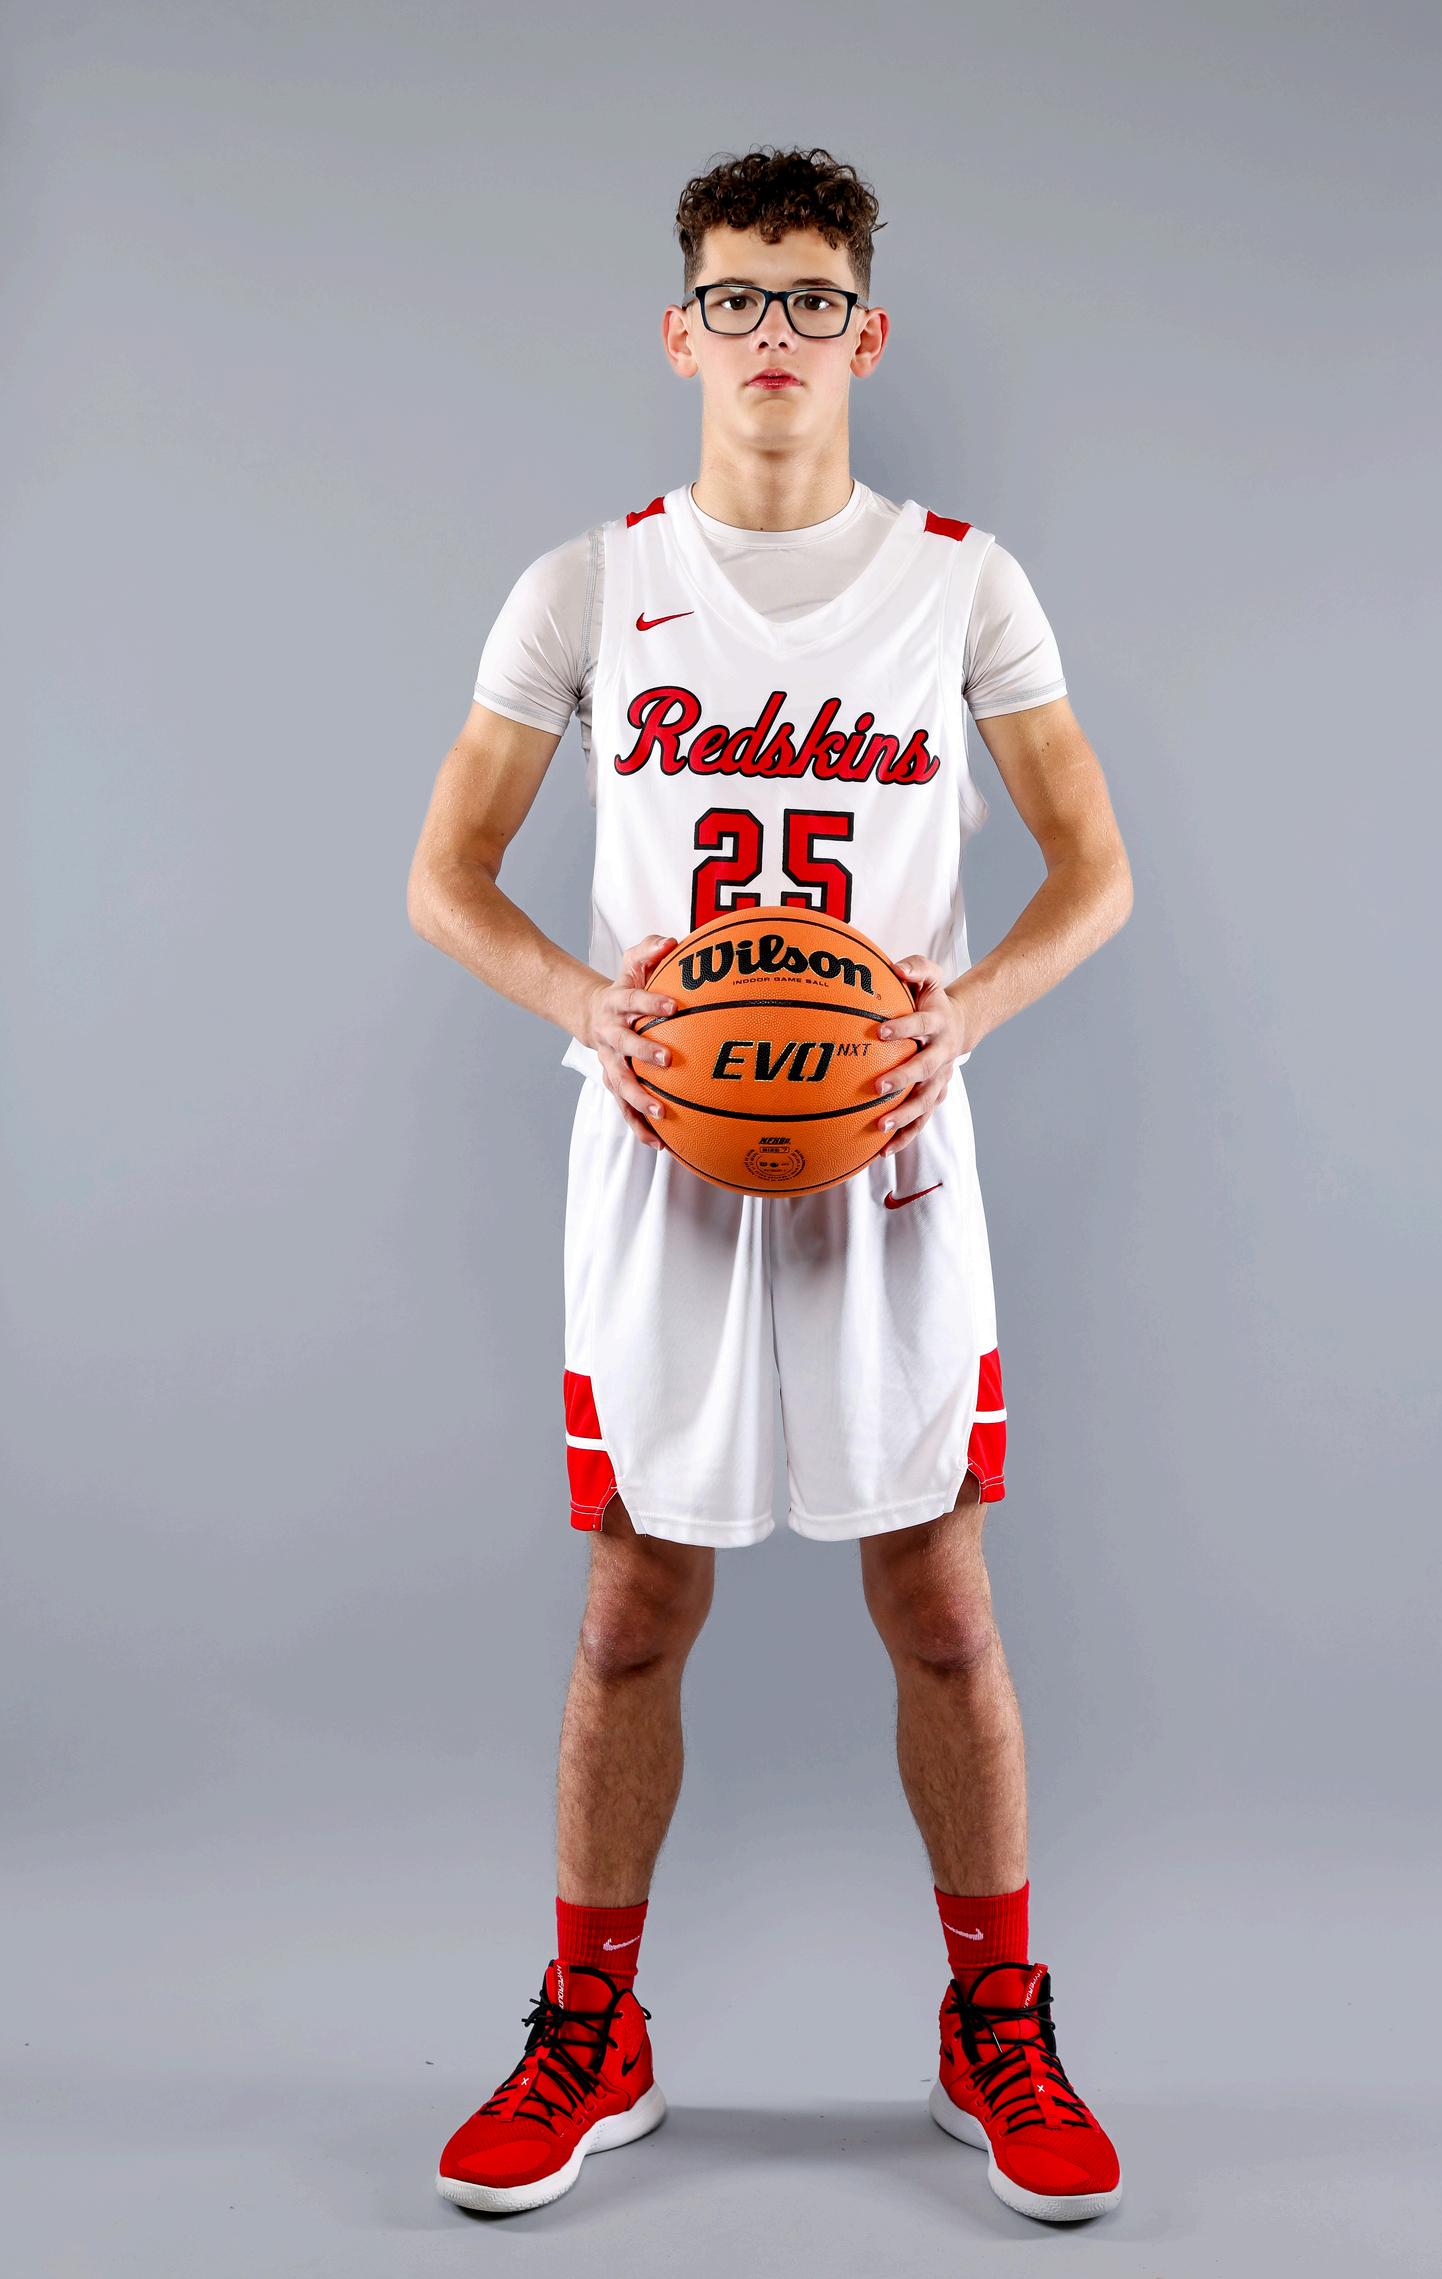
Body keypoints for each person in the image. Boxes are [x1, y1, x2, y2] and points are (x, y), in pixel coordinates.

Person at [406, 144, 1133, 2225]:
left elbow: (1094, 870)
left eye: (811, 299)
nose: (773, 335)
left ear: (865, 333)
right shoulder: (586, 586)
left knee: (940, 1606)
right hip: (662, 1155)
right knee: (635, 1606)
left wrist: (961, 1016)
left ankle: (994, 2023)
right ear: (680, 331)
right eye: (736, 297)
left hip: (889, 1153)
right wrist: (590, 1003)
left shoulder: (963, 583)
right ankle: (594, 2031)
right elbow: (446, 874)